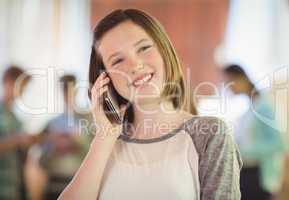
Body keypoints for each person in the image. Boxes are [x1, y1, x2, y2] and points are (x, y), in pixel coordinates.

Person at [59, 9, 242, 200]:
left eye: (144, 48)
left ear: (164, 51)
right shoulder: (104, 143)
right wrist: (104, 137)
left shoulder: (210, 134)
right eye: (118, 60)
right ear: (106, 79)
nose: (135, 65)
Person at [223, 64, 289, 200]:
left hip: (259, 177)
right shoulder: (250, 108)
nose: (227, 87)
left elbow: (281, 144)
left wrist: (242, 151)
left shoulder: (265, 106)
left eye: (228, 81)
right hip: (247, 174)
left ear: (241, 78)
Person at [34, 74, 93, 200]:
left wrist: (78, 141)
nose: (67, 93)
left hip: (81, 183)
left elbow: (97, 153)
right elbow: (41, 161)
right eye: (64, 89)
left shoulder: (90, 120)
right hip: (54, 185)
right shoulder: (51, 123)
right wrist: (53, 146)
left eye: (70, 89)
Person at [0, 65, 38, 200]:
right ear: (8, 82)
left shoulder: (16, 119)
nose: (22, 92)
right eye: (21, 86)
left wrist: (29, 143)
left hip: (15, 188)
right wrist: (17, 140)